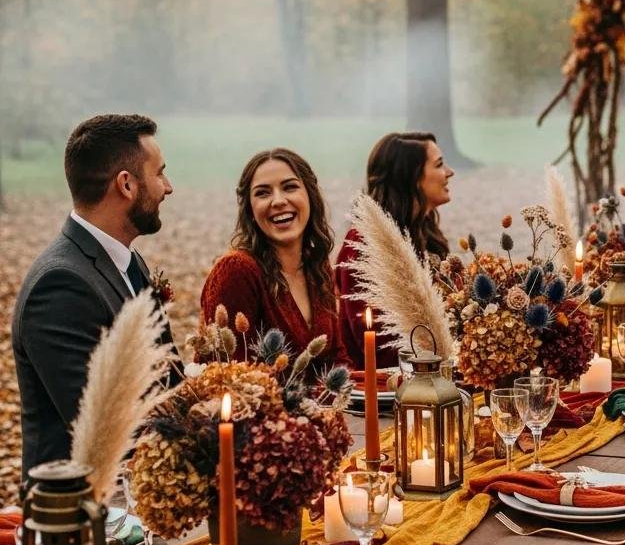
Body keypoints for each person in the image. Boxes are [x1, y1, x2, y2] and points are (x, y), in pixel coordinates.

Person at [12, 114, 176, 476]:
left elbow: (169, 379)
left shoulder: (127, 260)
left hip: (144, 488)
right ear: (126, 185)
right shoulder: (60, 286)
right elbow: (106, 430)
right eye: (160, 173)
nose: (168, 187)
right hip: (82, 515)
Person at [201, 148, 343, 377]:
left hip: (327, 411)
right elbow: (227, 377)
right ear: (249, 209)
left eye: (290, 187)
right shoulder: (237, 271)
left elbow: (337, 357)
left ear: (310, 195)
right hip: (262, 411)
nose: (278, 201)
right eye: (263, 193)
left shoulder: (317, 265)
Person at [336, 132, 453, 369]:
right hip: (380, 391)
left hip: (435, 376)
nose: (449, 172)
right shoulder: (363, 245)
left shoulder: (425, 234)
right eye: (439, 165)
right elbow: (376, 345)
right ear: (410, 177)